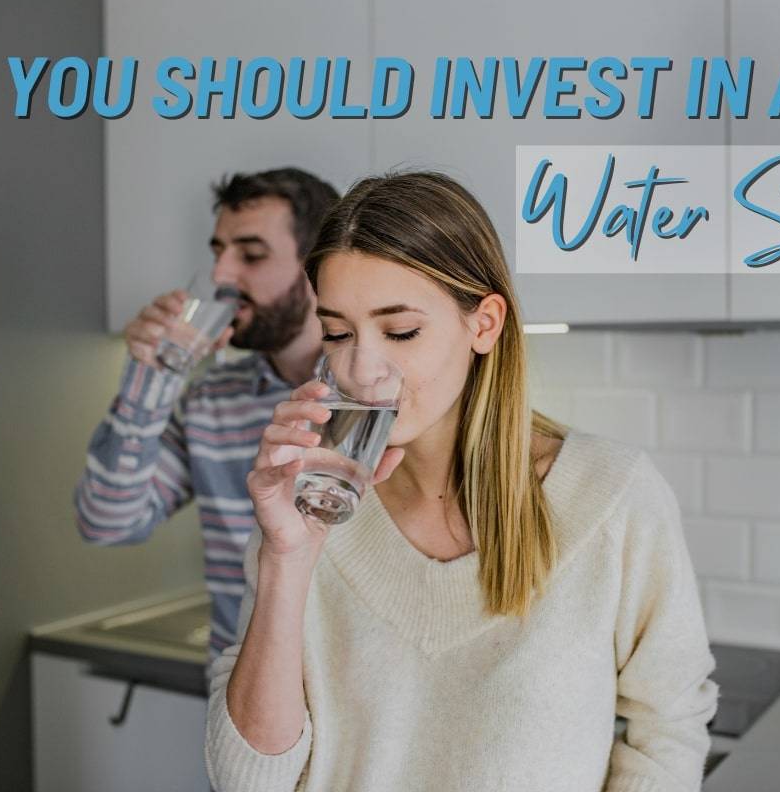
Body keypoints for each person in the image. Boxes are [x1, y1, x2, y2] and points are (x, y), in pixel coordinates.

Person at [205, 171, 720, 792]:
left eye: (400, 331)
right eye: (338, 333)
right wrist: (287, 559)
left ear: (484, 324)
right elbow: (246, 782)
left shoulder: (613, 497)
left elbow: (667, 732)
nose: (362, 369)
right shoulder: (311, 508)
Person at [74, 167, 339, 669]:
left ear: (318, 266)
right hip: (240, 689)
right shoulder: (211, 399)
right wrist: (149, 379)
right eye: (219, 252)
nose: (221, 275)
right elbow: (107, 522)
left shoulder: (376, 401)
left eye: (252, 255)